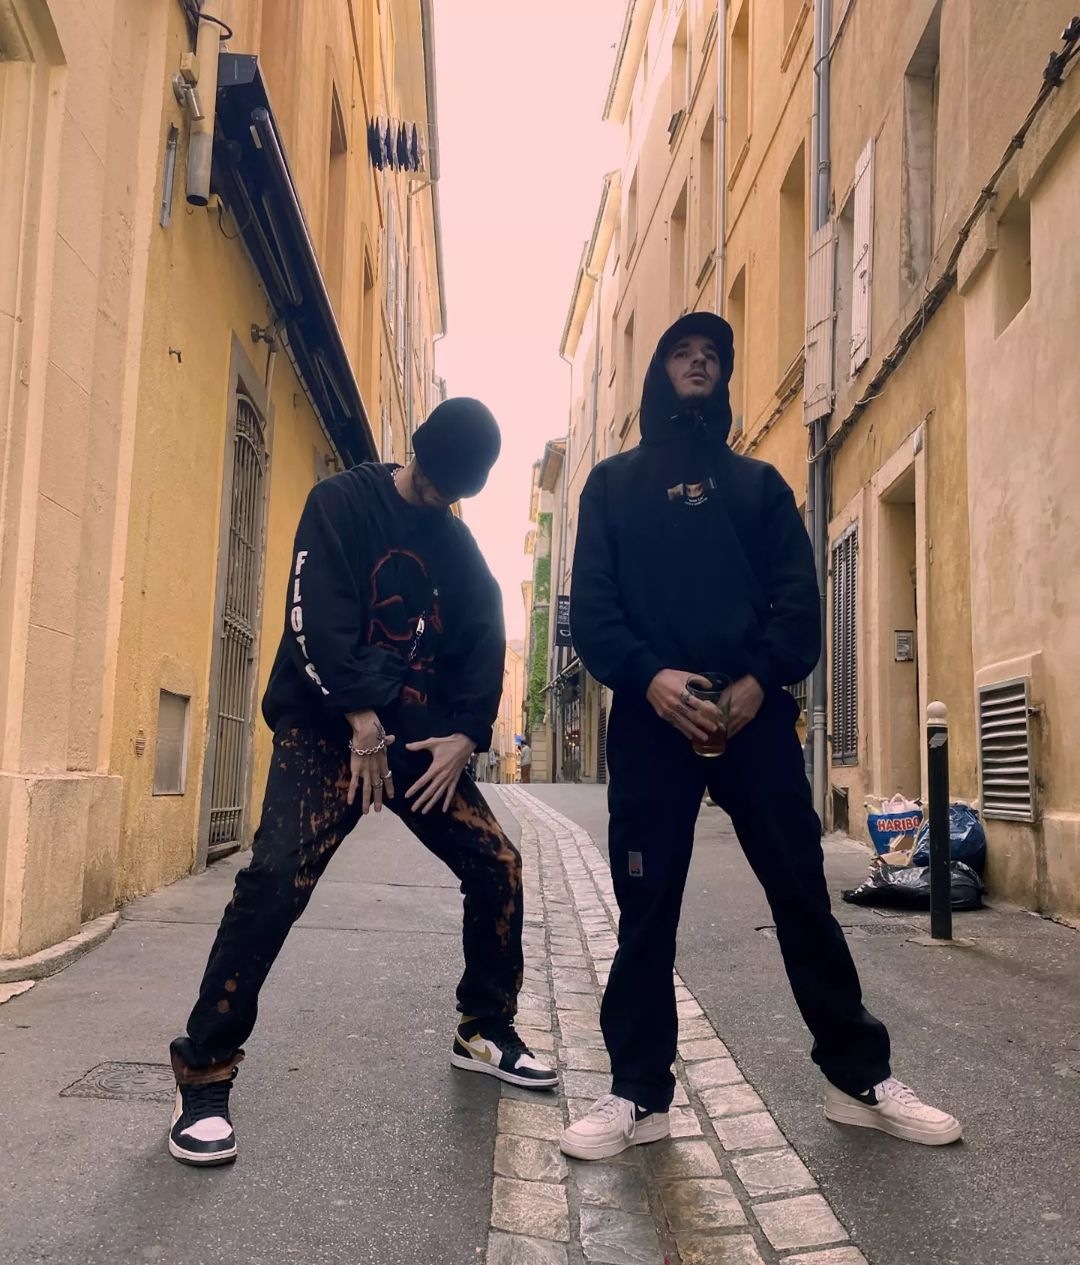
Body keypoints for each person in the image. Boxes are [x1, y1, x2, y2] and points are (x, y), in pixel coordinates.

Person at [559, 313, 961, 1162]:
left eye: (712, 355)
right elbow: (593, 611)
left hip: (755, 721)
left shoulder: (760, 486)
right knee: (646, 910)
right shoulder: (612, 486)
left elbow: (799, 607)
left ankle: (857, 1079)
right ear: (659, 371)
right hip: (651, 723)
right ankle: (638, 1093)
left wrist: (756, 683)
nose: (698, 362)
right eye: (683, 352)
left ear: (725, 375)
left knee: (801, 896)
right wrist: (650, 678)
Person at [167, 398, 557, 1167]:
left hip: (412, 741)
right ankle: (204, 1069)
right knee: (275, 877)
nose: (438, 499)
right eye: (433, 482)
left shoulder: (456, 543)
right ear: (416, 452)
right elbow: (313, 620)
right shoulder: (342, 504)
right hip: (326, 730)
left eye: (454, 492)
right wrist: (359, 721)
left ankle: (483, 1028)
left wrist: (466, 735)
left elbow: (484, 634)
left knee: (497, 863)